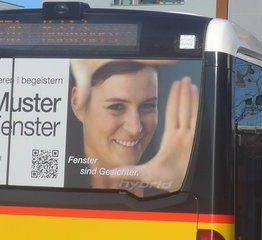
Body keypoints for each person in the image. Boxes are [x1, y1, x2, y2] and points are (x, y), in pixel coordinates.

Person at [68, 59, 198, 193]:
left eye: (147, 106)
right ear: (78, 103)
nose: (135, 128)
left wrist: (180, 190)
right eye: (117, 107)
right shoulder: (54, 185)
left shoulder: (169, 182)